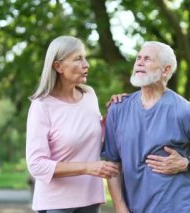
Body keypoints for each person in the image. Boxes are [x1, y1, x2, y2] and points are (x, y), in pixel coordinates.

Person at [101, 41, 190, 213]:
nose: (140, 62)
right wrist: (120, 207)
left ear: (165, 70)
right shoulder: (117, 109)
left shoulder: (184, 111)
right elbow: (113, 163)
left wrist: (187, 163)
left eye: (148, 59)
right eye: (138, 58)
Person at [26, 35, 120, 213]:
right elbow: (36, 165)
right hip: (57, 204)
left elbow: (97, 140)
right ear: (58, 66)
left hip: (90, 199)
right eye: (78, 59)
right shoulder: (42, 106)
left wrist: (113, 113)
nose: (87, 64)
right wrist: (88, 167)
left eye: (85, 58)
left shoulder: (89, 95)